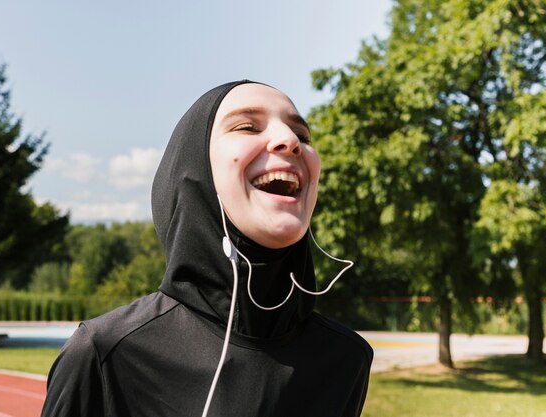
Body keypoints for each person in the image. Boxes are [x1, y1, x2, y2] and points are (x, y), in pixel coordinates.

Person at [41, 80, 373, 417]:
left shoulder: (347, 359)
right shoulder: (105, 352)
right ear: (194, 169)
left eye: (302, 135)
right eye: (247, 126)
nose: (290, 141)